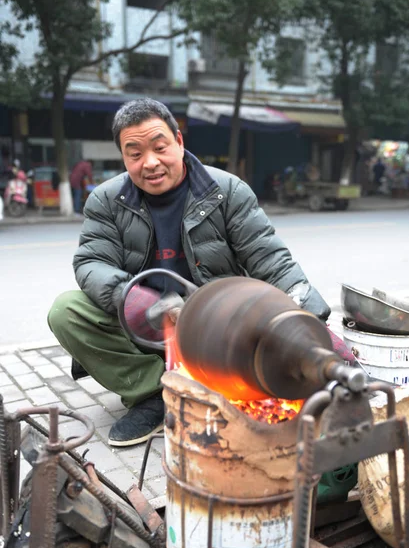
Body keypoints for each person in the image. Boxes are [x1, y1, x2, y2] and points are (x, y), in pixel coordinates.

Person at [48, 98, 331, 448]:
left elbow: (271, 260)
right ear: (123, 156)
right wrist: (139, 301)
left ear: (179, 143)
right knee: (66, 310)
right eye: (134, 153)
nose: (149, 163)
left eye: (159, 147)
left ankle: (213, 385)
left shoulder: (227, 191)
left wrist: (314, 322)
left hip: (219, 331)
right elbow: (91, 263)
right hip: (146, 327)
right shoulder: (106, 199)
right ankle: (153, 393)